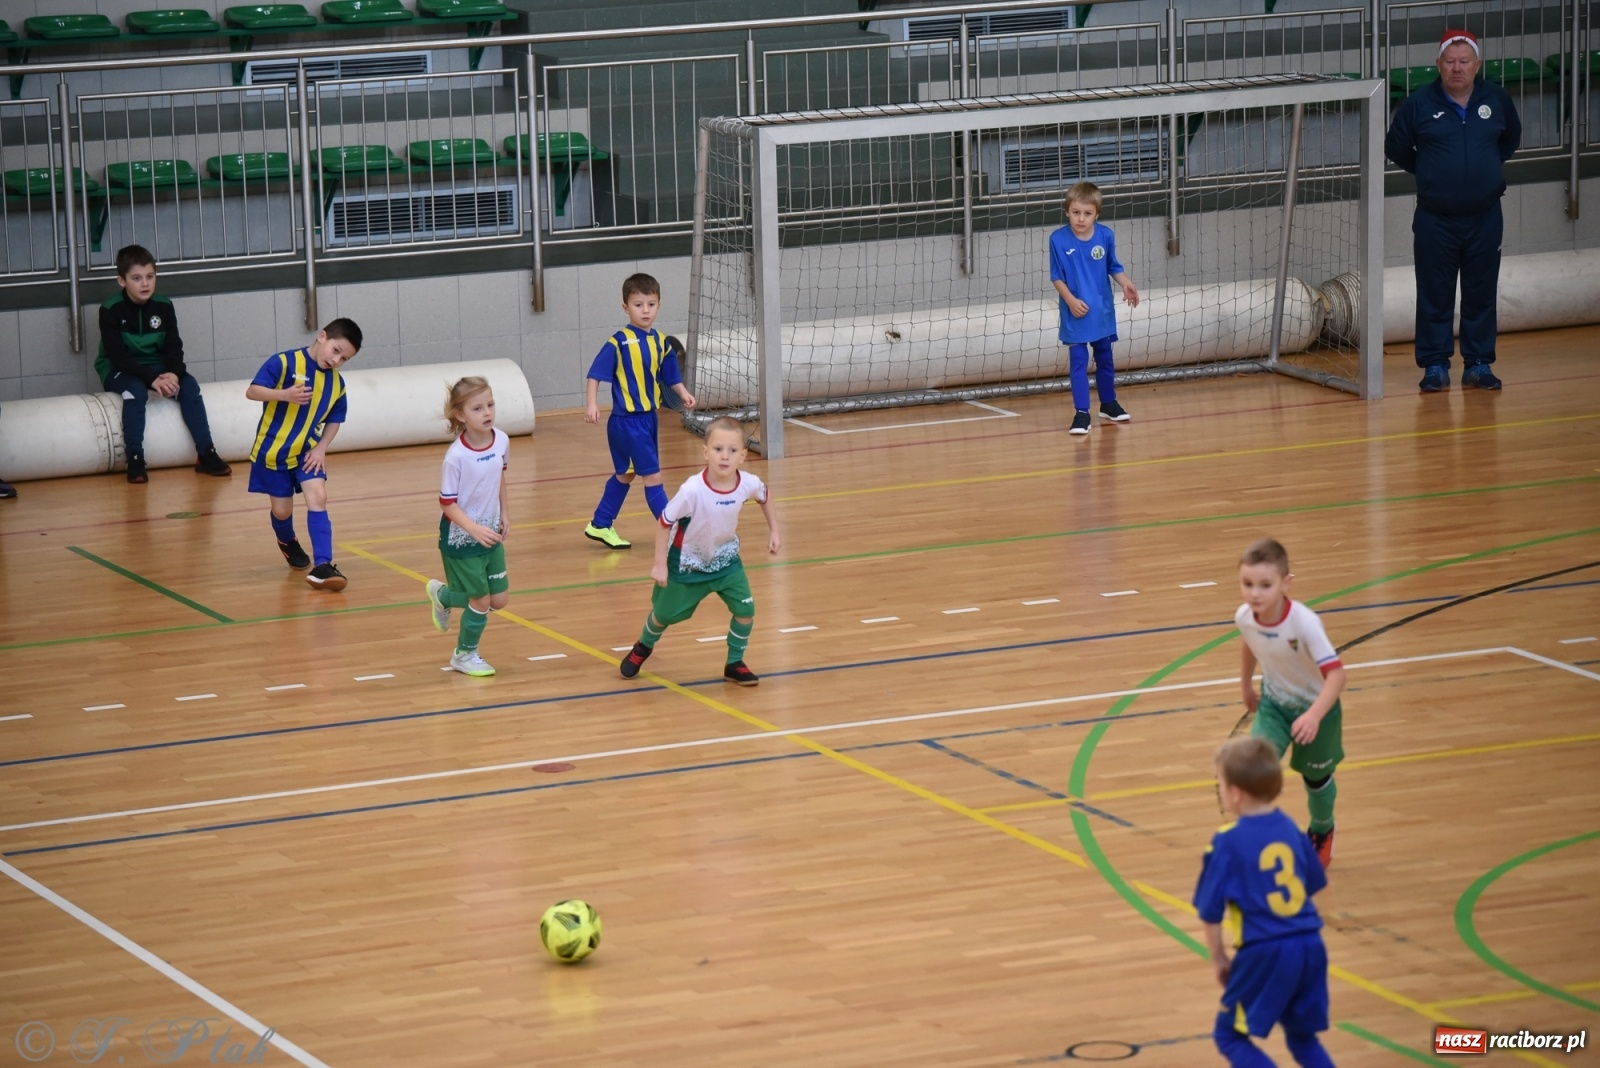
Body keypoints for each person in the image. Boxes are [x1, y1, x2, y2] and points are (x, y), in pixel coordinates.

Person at [1385, 29, 1521, 393]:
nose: (1457, 68)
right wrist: (1431, 170)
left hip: (1485, 216)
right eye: (1450, 62)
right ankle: (1434, 365)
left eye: (1464, 62)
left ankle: (1478, 364)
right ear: (1438, 65)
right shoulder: (1418, 105)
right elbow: (1395, 147)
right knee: (1434, 292)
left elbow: (1510, 139)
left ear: (1477, 66)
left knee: (1481, 291)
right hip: (1435, 219)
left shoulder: (1497, 99)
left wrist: (1484, 168)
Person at [1194, 736, 1334, 1068]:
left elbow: (1210, 913)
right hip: (1310, 945)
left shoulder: (1227, 841)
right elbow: (1314, 882)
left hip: (1264, 951)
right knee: (1302, 1038)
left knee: (1229, 1035)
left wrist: (1219, 960)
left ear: (1236, 793)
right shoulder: (1291, 828)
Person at [619, 416, 780, 686]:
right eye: (718, 449)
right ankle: (643, 647)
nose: (724, 457)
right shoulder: (692, 490)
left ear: (743, 455)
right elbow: (664, 522)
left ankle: (734, 663)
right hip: (687, 566)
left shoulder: (747, 483)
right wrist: (659, 564)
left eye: (731, 451)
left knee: (745, 611)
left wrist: (774, 530)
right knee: (663, 616)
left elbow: (764, 495)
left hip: (727, 563)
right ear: (706, 452)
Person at [1236, 538, 1345, 868]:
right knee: (1253, 772)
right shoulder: (1245, 616)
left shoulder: (1305, 623)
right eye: (1247, 584)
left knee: (1316, 781)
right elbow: (1249, 643)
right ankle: (1257, 838)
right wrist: (1245, 686)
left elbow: (1337, 676)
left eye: (1265, 585)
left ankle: (1322, 831)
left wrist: (1313, 716)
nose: (1255, 594)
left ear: (1286, 583)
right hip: (1273, 706)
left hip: (1317, 711)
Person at [95, 244, 232, 483]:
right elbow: (118, 357)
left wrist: (175, 375)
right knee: (136, 392)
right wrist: (152, 379)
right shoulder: (109, 310)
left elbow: (174, 347)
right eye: (136, 278)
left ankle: (206, 454)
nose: (145, 284)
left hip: (158, 367)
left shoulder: (164, 306)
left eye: (150, 277)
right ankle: (135, 458)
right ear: (121, 281)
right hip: (119, 369)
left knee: (190, 388)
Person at [244, 319, 363, 591]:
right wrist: (283, 395)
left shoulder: (336, 384)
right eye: (336, 350)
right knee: (282, 511)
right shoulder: (284, 363)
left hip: (307, 451)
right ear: (322, 336)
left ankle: (324, 564)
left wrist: (321, 447)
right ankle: (287, 541)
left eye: (344, 358)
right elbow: (252, 391)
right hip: (272, 452)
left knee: (318, 497)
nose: (336, 360)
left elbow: (335, 418)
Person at [582, 273, 696, 549]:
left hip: (648, 420)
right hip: (627, 423)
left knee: (626, 474)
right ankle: (675, 533)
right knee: (653, 477)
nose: (645, 310)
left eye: (651, 304)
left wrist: (683, 394)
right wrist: (592, 403)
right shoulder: (618, 341)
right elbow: (595, 374)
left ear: (659, 305)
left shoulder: (661, 341)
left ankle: (600, 524)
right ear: (626, 307)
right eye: (638, 304)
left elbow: (671, 376)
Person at [425, 377, 511, 678]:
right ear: (460, 415)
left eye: (490, 405)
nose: (487, 412)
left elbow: (499, 476)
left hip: (491, 533)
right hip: (462, 538)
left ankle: (444, 596)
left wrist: (505, 513)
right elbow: (447, 503)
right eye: (477, 408)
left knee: (498, 600)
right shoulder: (456, 457)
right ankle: (464, 654)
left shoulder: (501, 440)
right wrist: (474, 529)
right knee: (481, 600)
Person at [1049, 180, 1139, 436]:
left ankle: (1108, 403)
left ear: (1096, 214)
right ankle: (1081, 413)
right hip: (1076, 312)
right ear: (1067, 211)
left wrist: (1126, 284)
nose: (1081, 218)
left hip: (1101, 312)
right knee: (1078, 362)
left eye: (1087, 214)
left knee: (1105, 359)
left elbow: (1113, 266)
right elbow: (1056, 276)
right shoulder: (1057, 239)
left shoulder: (1106, 235)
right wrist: (1070, 300)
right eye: (1076, 212)